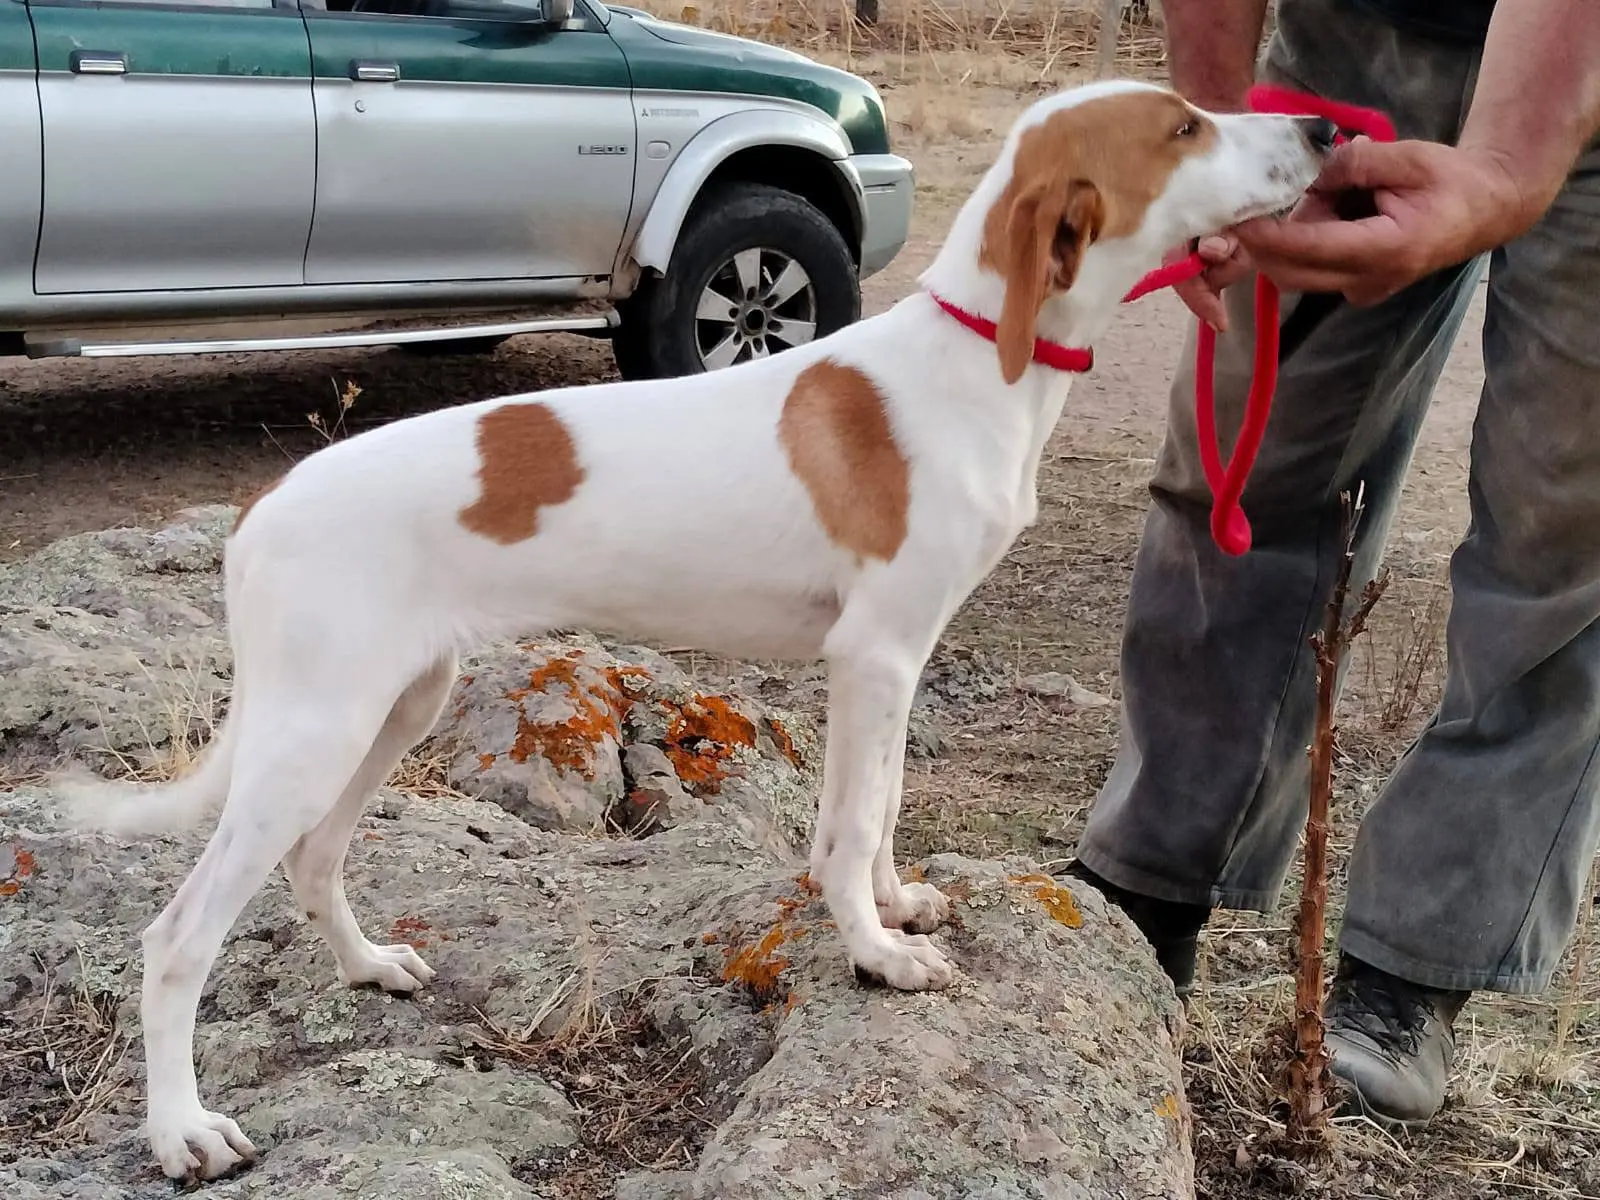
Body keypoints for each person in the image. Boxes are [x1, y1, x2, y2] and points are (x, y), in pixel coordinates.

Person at [1066, 0, 1600, 1126]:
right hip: (1356, 37)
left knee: (1567, 526)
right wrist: (1211, 142)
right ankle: (1147, 890)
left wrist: (1506, 167)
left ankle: (1416, 969)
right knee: (1243, 464)